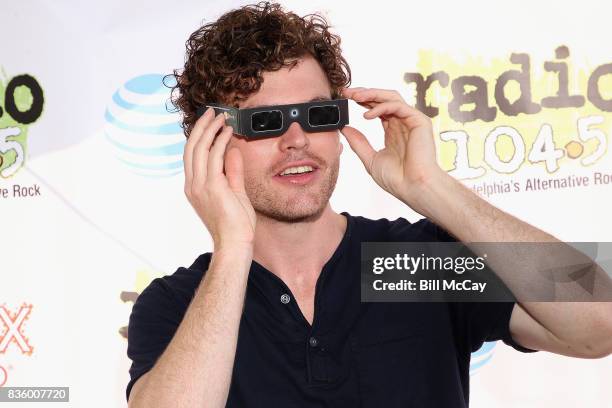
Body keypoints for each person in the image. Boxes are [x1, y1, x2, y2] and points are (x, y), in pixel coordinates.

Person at [125, 2, 612, 407]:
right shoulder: (178, 302)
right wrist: (232, 249)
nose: (297, 139)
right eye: (265, 122)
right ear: (208, 144)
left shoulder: (413, 261)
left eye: (318, 115)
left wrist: (432, 190)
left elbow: (599, 324)